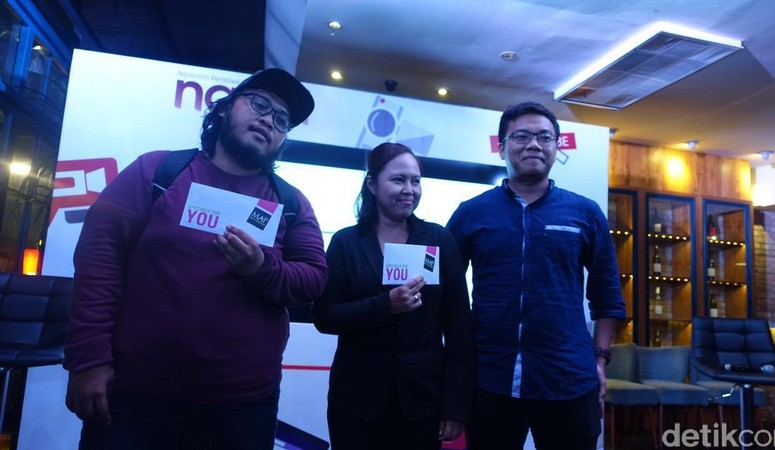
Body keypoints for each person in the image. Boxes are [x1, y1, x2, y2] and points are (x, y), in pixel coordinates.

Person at [63, 68, 328, 449]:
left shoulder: (291, 203)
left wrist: (260, 269)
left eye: (281, 119)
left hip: (243, 405)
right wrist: (88, 360)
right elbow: (99, 265)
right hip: (136, 394)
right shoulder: (156, 172)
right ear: (223, 108)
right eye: (259, 104)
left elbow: (313, 279)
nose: (269, 119)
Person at [446, 102, 625, 450]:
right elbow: (447, 293)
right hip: (490, 377)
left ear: (557, 147)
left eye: (545, 137)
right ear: (501, 147)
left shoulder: (585, 213)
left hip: (568, 378)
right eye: (522, 136)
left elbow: (607, 295)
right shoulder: (471, 213)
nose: (534, 144)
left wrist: (600, 359)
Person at [312, 143, 472, 450]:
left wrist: (455, 407)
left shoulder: (439, 239)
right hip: (356, 400)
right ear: (372, 184)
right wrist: (385, 306)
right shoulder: (346, 242)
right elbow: (324, 316)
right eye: (398, 180)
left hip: (422, 400)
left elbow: (459, 326)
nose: (409, 190)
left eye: (415, 181)